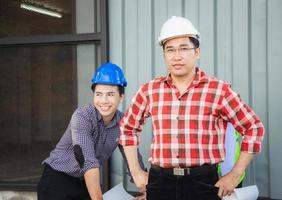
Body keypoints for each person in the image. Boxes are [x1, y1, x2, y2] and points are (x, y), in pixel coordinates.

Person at [119, 16, 265, 200]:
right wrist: (136, 171)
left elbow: (254, 128)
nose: (176, 56)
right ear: (164, 54)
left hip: (203, 183)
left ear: (197, 52)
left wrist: (235, 175)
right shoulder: (149, 90)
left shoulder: (219, 90)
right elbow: (127, 128)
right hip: (160, 183)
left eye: (184, 48)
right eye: (170, 50)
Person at [37, 62, 132, 200]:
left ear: (121, 97)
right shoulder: (82, 116)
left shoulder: (123, 122)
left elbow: (133, 159)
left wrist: (145, 190)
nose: (103, 101)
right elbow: (87, 160)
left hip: (83, 182)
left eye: (110, 94)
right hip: (57, 179)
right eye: (99, 94)